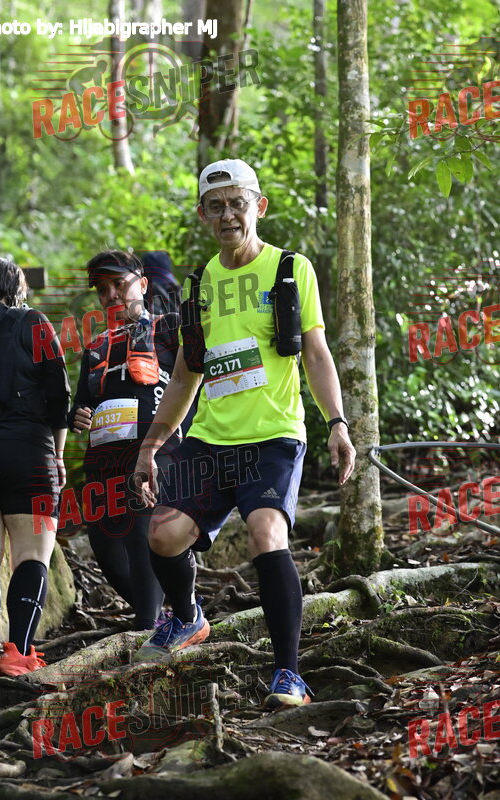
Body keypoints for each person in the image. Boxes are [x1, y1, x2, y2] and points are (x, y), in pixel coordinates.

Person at [132, 158, 356, 710]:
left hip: (274, 436)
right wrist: (152, 443)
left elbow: (316, 354)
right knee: (162, 535)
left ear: (259, 206)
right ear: (202, 214)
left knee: (265, 534)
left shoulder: (289, 270)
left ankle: (289, 674)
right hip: (210, 439)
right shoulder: (199, 285)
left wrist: (337, 422)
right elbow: (184, 375)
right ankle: (188, 618)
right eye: (216, 206)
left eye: (238, 203)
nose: (228, 214)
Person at [0, 257, 70, 679]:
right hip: (28, 452)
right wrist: (58, 455)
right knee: (32, 554)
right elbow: (59, 394)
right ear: (15, 289)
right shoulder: (33, 323)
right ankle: (20, 654)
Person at [68, 250, 181, 631]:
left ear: (143, 285)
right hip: (103, 460)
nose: (111, 295)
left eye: (119, 284)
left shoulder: (168, 329)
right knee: (106, 550)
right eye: (103, 290)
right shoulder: (95, 346)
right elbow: (83, 401)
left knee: (139, 537)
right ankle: (168, 619)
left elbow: (193, 385)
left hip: (153, 452)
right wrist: (76, 414)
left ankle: (147, 630)